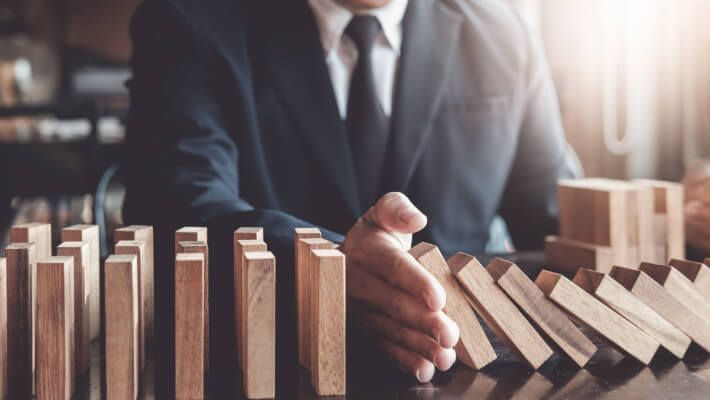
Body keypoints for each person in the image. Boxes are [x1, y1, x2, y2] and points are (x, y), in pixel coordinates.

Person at [123, 0, 578, 394]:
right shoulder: (187, 20)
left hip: (464, 375)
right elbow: (179, 210)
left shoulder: (504, 33)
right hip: (267, 373)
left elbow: (562, 225)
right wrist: (330, 262)